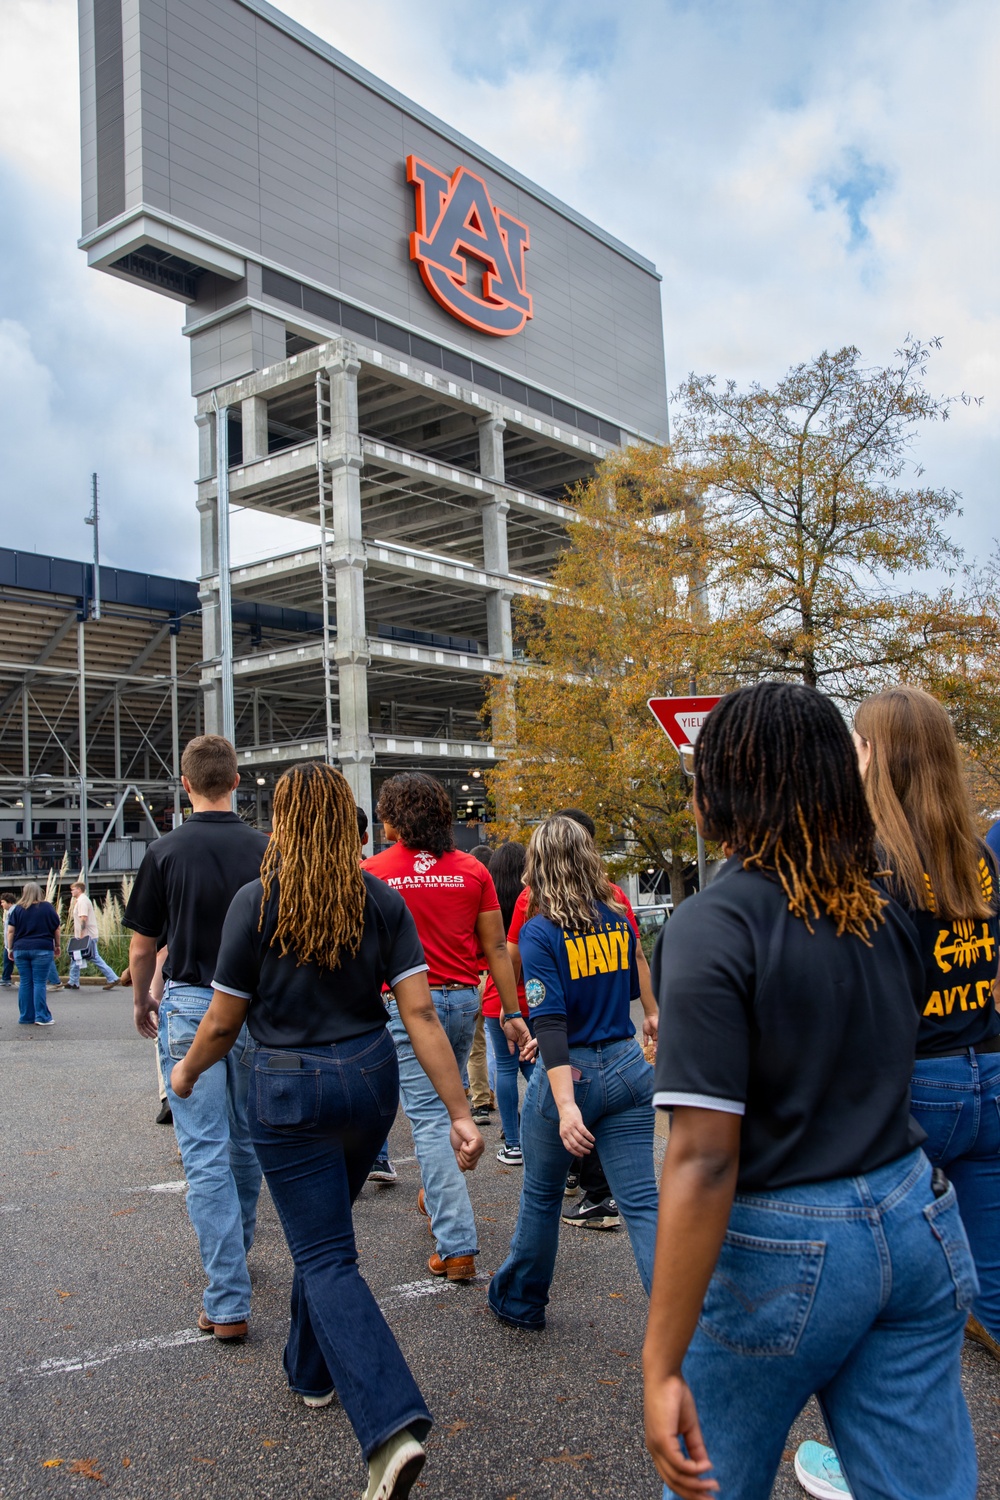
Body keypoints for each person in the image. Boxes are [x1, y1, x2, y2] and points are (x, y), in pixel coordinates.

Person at [643, 682, 977, 1500]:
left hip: (783, 1242)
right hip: (915, 1217)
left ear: (724, 785)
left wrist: (659, 1364)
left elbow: (704, 1160)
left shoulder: (711, 925)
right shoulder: (883, 912)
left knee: (708, 1480)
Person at [169, 762, 484, 1500]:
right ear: (349, 824)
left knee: (324, 1255)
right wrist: (461, 1111)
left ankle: (390, 1427)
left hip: (287, 1091)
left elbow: (221, 1024)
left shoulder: (256, 902)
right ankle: (311, 1372)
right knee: (326, 1238)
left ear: (281, 822)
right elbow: (421, 1014)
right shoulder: (378, 899)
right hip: (369, 1083)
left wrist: (183, 1075)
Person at [789, 688, 1000, 1498]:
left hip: (911, 1092)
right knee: (988, 1284)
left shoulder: (870, 860)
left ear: (878, 755)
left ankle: (866, 1453)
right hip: (987, 1076)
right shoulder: (979, 854)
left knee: (890, 1293)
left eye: (861, 745)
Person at [488, 816, 659, 1329]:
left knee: (541, 1194)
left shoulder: (540, 931)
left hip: (573, 1073)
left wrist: (564, 1105)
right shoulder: (617, 916)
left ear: (541, 867)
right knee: (643, 1203)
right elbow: (625, 988)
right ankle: (681, 1316)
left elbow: (554, 1018)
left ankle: (521, 1300)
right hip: (628, 1065)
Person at [124, 734, 268, 1342]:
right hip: (255, 1005)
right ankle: (238, 1248)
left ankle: (228, 1296)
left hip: (188, 1004)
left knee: (203, 1149)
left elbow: (141, 944)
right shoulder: (269, 849)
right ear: (236, 780)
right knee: (247, 1139)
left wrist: (141, 998)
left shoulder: (164, 850)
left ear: (186, 785)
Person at [364, 772, 524, 1281]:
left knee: (432, 1119)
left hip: (408, 1007)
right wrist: (513, 1011)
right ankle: (438, 1190)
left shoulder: (373, 872)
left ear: (394, 815)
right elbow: (497, 947)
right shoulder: (471, 872)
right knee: (446, 1105)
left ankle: (456, 1246)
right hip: (463, 1002)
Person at [480, 840, 535, 1163]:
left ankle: (513, 1142)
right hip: (533, 996)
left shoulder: (489, 903)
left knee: (504, 1067)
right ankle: (538, 1131)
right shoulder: (534, 900)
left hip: (496, 996)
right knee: (536, 1069)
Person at [466, 843, 497, 1128]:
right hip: (496, 974)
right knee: (501, 1043)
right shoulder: (498, 895)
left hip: (472, 975)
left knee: (475, 1045)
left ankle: (480, 1101)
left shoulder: (467, 894)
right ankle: (495, 1095)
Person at [5, 881, 61, 1026]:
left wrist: (10, 949)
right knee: (39, 983)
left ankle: (26, 1016)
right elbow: (56, 928)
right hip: (42, 948)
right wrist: (58, 945)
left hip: (21, 949)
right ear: (39, 892)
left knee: (25, 982)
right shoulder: (47, 907)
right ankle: (41, 1016)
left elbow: (11, 931)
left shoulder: (17, 909)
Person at [65, 881, 119, 990]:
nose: (72, 891)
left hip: (87, 936)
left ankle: (112, 978)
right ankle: (73, 982)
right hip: (86, 935)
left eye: (73, 889)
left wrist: (81, 936)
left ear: (79, 889)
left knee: (94, 957)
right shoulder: (80, 900)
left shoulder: (82, 901)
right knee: (76, 958)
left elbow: (83, 918)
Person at [1, 890, 18, 988]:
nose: (2, 904)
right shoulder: (10, 912)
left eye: (3, 902)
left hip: (13, 942)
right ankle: (5, 978)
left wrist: (10, 944)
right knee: (7, 960)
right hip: (8, 943)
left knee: (18, 961)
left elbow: (11, 930)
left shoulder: (14, 912)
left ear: (9, 902)